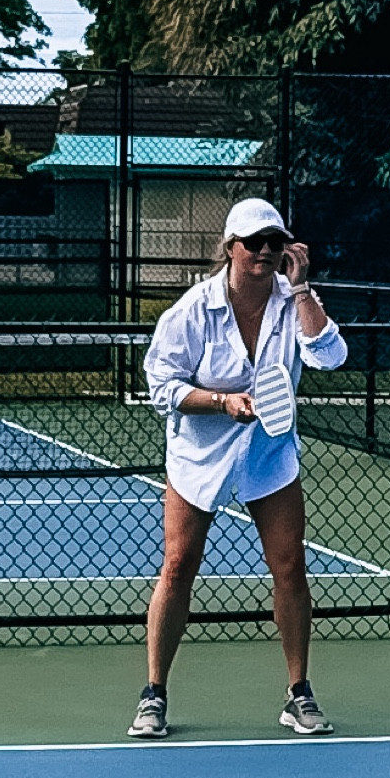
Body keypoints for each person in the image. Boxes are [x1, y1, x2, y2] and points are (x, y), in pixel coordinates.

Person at [130, 196, 348, 740]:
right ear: (230, 248)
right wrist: (221, 402)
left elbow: (329, 356)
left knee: (290, 567)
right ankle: (153, 694)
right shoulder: (191, 311)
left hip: (268, 453)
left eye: (275, 242)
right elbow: (162, 387)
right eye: (254, 242)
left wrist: (301, 288)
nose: (265, 251)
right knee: (178, 566)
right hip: (199, 455)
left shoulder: (293, 300)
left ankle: (298, 693)